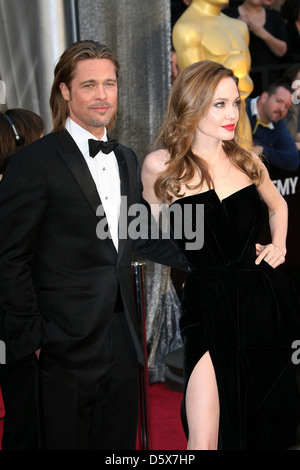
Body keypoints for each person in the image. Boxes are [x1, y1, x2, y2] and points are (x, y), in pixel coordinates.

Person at [0, 40, 188, 450]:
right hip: (60, 343)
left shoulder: (124, 157)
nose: (103, 95)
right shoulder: (33, 163)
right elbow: (10, 257)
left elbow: (139, 233)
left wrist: (210, 259)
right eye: (89, 85)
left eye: (110, 84)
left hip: (122, 336)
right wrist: (29, 338)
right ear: (65, 91)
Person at [142, 59, 300, 450]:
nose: (232, 114)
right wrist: (194, 258)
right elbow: (144, 234)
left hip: (259, 303)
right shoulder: (161, 167)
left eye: (235, 102)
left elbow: (279, 207)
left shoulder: (247, 161)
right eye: (219, 104)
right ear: (192, 103)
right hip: (206, 305)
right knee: (204, 434)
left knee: (262, 421)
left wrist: (278, 245)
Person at [0, 108, 45, 450]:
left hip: (17, 329)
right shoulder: (18, 198)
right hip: (20, 330)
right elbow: (15, 269)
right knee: (27, 418)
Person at [223, 0, 288, 96]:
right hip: (239, 81)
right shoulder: (228, 15)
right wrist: (239, 28)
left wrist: (263, 33)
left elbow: (282, 50)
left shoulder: (274, 16)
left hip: (270, 82)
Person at [246, 80, 300, 171]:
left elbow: (293, 160)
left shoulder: (277, 123)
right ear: (264, 97)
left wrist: (263, 150)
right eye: (279, 101)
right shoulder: (241, 108)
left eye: (287, 107)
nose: (282, 109)